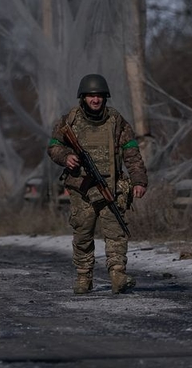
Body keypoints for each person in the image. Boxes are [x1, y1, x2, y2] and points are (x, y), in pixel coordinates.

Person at [48, 74, 148, 294]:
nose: (95, 100)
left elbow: (131, 153)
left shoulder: (116, 121)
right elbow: (53, 146)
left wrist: (139, 180)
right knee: (83, 233)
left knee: (116, 232)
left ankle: (117, 274)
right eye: (91, 96)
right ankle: (84, 276)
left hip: (110, 186)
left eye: (99, 96)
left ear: (105, 98)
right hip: (81, 188)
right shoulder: (70, 120)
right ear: (83, 98)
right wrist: (66, 157)